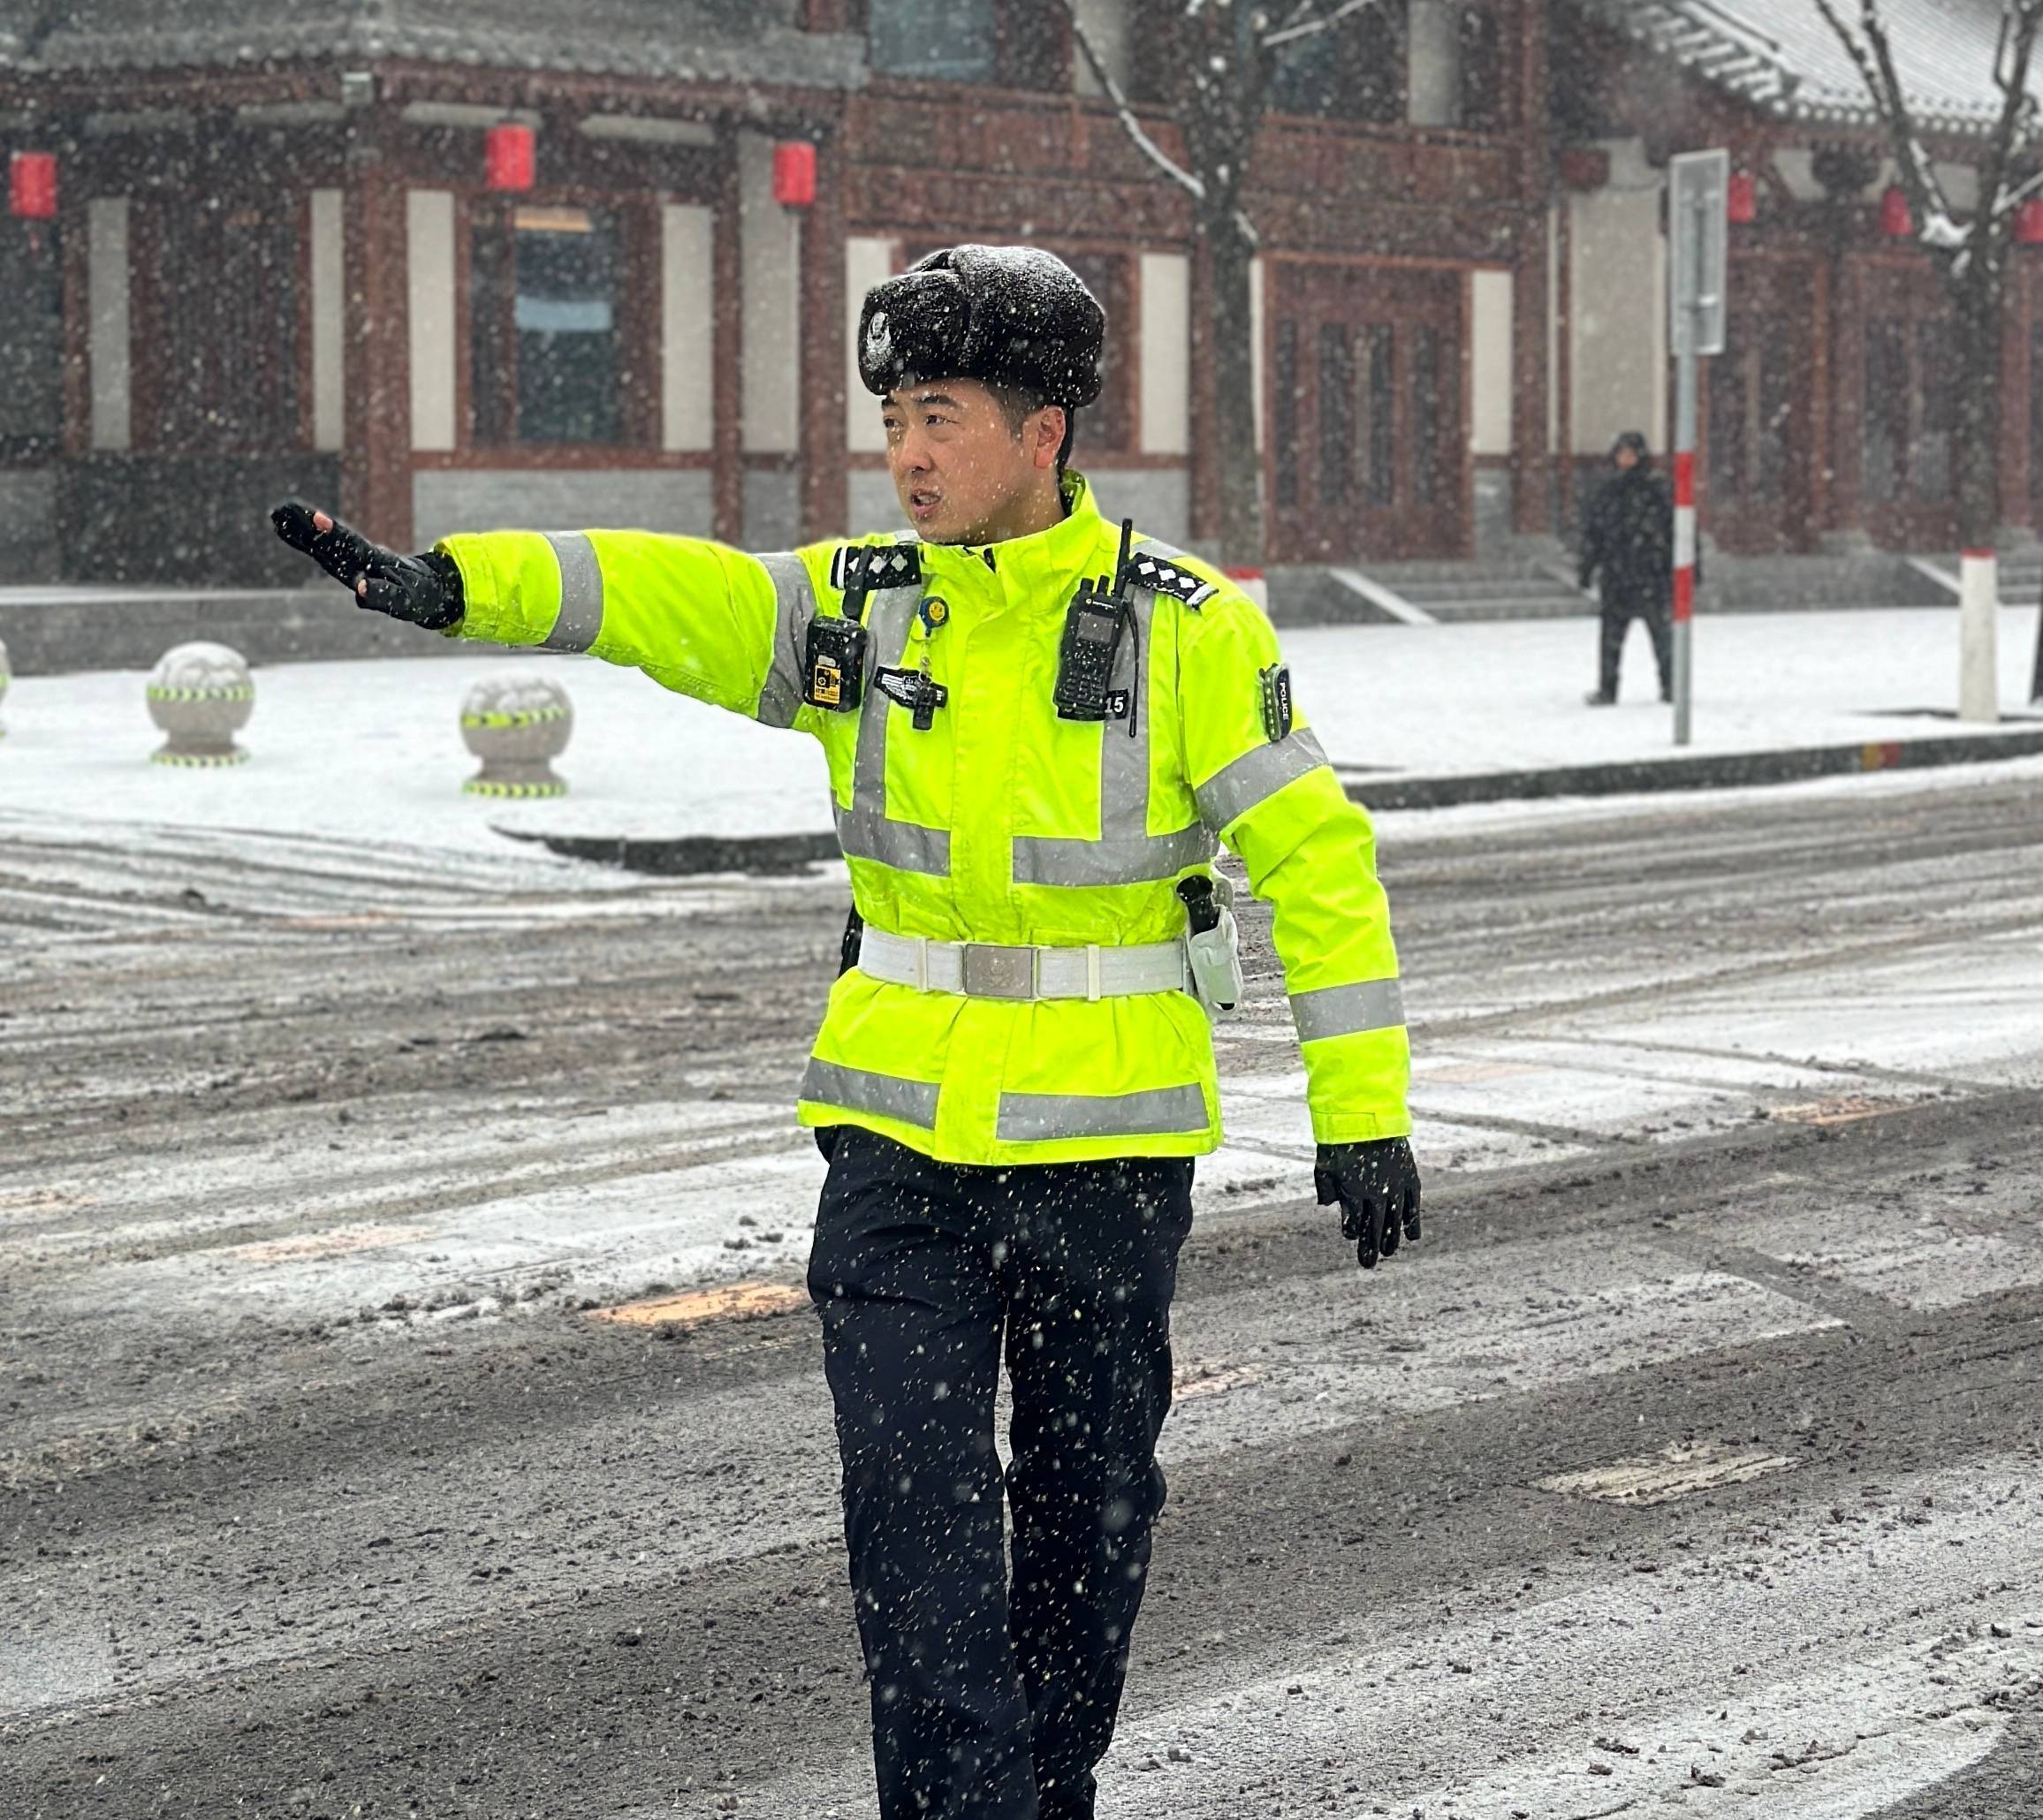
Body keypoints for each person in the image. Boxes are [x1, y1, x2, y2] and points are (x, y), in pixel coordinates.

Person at [276, 242, 1419, 1820]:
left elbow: (1318, 863)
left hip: (1105, 1156)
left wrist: (1360, 1107)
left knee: (1085, 1520)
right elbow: (669, 594)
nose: (906, 456)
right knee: (911, 1519)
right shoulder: (860, 605)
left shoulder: (1187, 629)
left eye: (940, 418)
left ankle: (1047, 1789)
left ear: (1042, 431)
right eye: (892, 420)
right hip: (895, 1149)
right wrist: (464, 584)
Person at [1578, 428, 1673, 704]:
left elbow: (1675, 531)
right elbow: (1595, 533)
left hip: (1651, 574)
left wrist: (1683, 569)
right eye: (1622, 454)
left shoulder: (1657, 490)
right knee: (1611, 638)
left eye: (1631, 454)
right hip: (1617, 576)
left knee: (1662, 637)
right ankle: (1608, 688)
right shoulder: (1609, 491)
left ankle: (1670, 685)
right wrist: (1587, 567)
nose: (1626, 459)